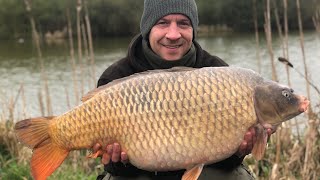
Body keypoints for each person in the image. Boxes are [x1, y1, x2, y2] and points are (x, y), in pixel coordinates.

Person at [94, 0, 273, 179]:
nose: (173, 34)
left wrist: (237, 152)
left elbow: (227, 164)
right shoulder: (116, 77)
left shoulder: (220, 75)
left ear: (193, 30)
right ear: (148, 28)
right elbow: (113, 168)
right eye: (163, 23)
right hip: (138, 174)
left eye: (183, 23)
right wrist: (118, 162)